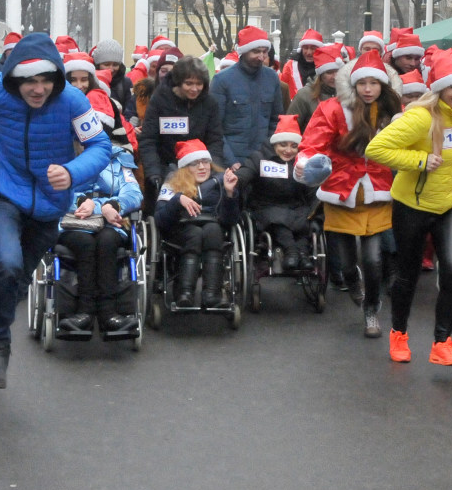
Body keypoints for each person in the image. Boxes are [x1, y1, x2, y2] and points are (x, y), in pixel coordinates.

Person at [0, 32, 112, 388]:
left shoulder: (73, 101)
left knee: (17, 282)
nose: (38, 89)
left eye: (45, 81)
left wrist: (72, 172)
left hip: (49, 204)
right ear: (14, 79)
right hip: (4, 193)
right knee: (7, 263)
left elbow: (100, 147)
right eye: (29, 81)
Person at [366, 48, 452, 365]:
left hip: (451, 203)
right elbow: (376, 148)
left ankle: (442, 342)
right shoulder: (422, 117)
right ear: (440, 89)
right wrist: (419, 160)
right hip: (413, 205)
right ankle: (399, 334)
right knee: (407, 275)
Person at [295, 51, 400, 337]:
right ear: (352, 85)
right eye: (362, 83)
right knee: (343, 259)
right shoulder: (332, 109)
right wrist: (306, 164)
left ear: (384, 86)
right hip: (341, 189)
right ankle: (354, 283)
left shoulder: (394, 111)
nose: (368, 89)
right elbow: (312, 143)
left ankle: (371, 312)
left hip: (378, 191)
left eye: (374, 83)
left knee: (373, 258)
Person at [57, 90, 145, 335]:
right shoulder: (64, 157)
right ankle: (84, 312)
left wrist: (111, 206)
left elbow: (134, 193)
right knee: (85, 243)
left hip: (111, 222)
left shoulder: (119, 159)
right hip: (73, 221)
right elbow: (54, 193)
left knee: (107, 241)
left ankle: (109, 314)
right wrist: (86, 202)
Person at [155, 140, 241, 308]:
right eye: (195, 164)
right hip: (180, 228)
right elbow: (159, 220)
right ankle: (184, 292)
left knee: (213, 230)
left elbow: (230, 221)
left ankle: (212, 293)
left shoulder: (221, 181)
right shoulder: (172, 183)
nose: (202, 167)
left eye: (205, 162)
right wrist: (177, 200)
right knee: (194, 234)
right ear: (185, 168)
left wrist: (230, 194)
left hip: (212, 226)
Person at [237, 115, 316, 271]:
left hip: (295, 206)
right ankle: (291, 252)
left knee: (307, 221)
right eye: (283, 145)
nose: (288, 150)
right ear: (274, 144)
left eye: (294, 146)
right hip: (265, 206)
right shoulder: (259, 158)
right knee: (278, 219)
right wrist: (236, 179)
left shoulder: (303, 162)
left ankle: (303, 254)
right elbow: (246, 172)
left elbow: (312, 188)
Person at [140, 55, 225, 195]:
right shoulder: (160, 100)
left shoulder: (210, 103)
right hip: (165, 168)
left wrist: (214, 169)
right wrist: (153, 172)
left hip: (199, 169)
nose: (194, 89)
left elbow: (215, 140)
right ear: (178, 82)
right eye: (189, 83)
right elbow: (149, 139)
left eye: (199, 84)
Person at [211, 26, 284, 168]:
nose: (261, 57)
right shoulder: (221, 80)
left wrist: (267, 153)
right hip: (231, 160)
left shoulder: (272, 78)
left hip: (263, 158)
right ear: (243, 52)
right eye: (256, 51)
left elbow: (276, 120)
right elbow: (215, 128)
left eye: (264, 52)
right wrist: (230, 161)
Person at [286, 43, 342, 133]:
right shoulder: (304, 95)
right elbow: (289, 129)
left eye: (338, 72)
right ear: (321, 75)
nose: (335, 77)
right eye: (329, 72)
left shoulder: (349, 94)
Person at [281, 29, 326, 100]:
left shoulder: (326, 67)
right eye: (306, 48)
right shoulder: (290, 66)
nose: (309, 52)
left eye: (313, 48)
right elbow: (282, 89)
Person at [94, 39, 134, 113]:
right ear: (98, 64)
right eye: (106, 64)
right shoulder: (91, 82)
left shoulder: (126, 83)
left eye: (115, 65)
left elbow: (130, 109)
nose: (111, 69)